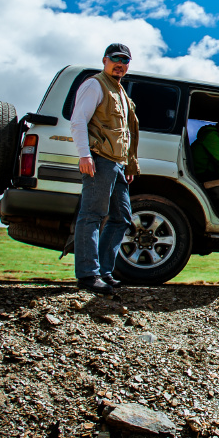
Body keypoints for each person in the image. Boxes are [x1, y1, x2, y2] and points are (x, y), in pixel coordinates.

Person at [70, 43, 139, 295]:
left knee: (121, 217)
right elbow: (78, 121)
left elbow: (127, 133)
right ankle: (88, 275)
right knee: (92, 215)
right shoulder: (94, 85)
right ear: (104, 59)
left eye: (125, 60)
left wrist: (130, 164)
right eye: (115, 59)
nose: (120, 64)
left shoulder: (120, 91)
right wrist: (84, 155)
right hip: (99, 159)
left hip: (117, 164)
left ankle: (104, 272)